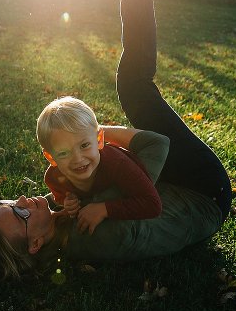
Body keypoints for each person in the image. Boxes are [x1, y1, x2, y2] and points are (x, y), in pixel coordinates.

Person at [0, 0, 232, 281]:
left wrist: (73, 176)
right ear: (35, 245)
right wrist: (95, 137)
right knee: (134, 87)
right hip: (203, 191)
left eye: (11, 204)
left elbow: (75, 191)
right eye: (21, 215)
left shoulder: (61, 226)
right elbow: (153, 151)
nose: (24, 201)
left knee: (128, 94)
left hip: (174, 187)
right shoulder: (100, 235)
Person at [37, 95, 169, 235]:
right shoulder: (53, 178)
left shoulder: (117, 163)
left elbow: (152, 205)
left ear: (99, 140)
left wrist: (104, 209)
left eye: (84, 145)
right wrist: (68, 202)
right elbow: (61, 197)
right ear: (50, 157)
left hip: (159, 181)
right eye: (63, 153)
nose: (78, 159)